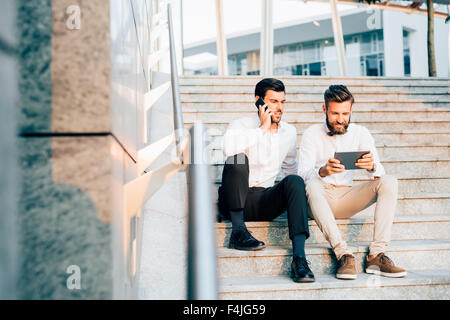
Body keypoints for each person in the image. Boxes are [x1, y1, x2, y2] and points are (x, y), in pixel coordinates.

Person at [299, 84, 407, 280]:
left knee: (389, 181)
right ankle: (344, 254)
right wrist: (322, 171)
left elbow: (378, 174)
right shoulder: (311, 134)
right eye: (334, 113)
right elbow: (301, 176)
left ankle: (376, 256)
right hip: (318, 198)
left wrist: (371, 166)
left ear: (351, 111)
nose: (340, 119)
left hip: (347, 197)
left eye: (345, 114)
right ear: (325, 110)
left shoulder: (361, 133)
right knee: (312, 184)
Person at [218, 78, 314, 283]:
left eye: (282, 101)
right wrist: (262, 128)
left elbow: (291, 169)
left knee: (295, 180)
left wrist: (300, 203)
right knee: (238, 158)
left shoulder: (289, 132)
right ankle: (238, 232)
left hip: (264, 200)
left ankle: (299, 259)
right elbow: (229, 151)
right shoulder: (240, 125)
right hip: (235, 200)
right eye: (273, 101)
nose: (279, 107)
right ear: (258, 101)